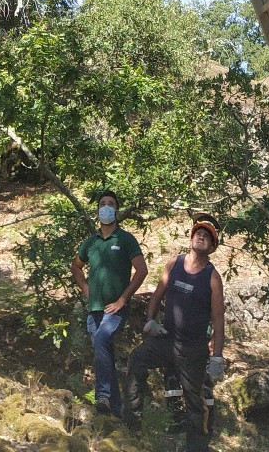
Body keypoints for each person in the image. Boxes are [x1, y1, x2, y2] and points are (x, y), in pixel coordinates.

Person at [124, 214, 225, 452]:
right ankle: (131, 425)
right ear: (191, 238)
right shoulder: (174, 263)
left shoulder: (212, 277)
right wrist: (150, 321)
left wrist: (217, 356)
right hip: (166, 340)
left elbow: (218, 319)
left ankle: (197, 447)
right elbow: (157, 294)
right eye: (198, 233)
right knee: (136, 360)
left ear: (212, 247)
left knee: (194, 401)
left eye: (207, 236)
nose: (201, 237)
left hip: (193, 349)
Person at [71, 191, 149, 416]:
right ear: (97, 211)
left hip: (115, 308)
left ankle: (102, 395)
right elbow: (76, 266)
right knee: (103, 353)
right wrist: (85, 288)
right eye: (102, 204)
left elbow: (141, 270)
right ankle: (116, 411)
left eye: (111, 204)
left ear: (116, 210)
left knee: (102, 339)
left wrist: (123, 299)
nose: (106, 207)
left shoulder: (125, 239)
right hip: (94, 307)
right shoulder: (91, 242)